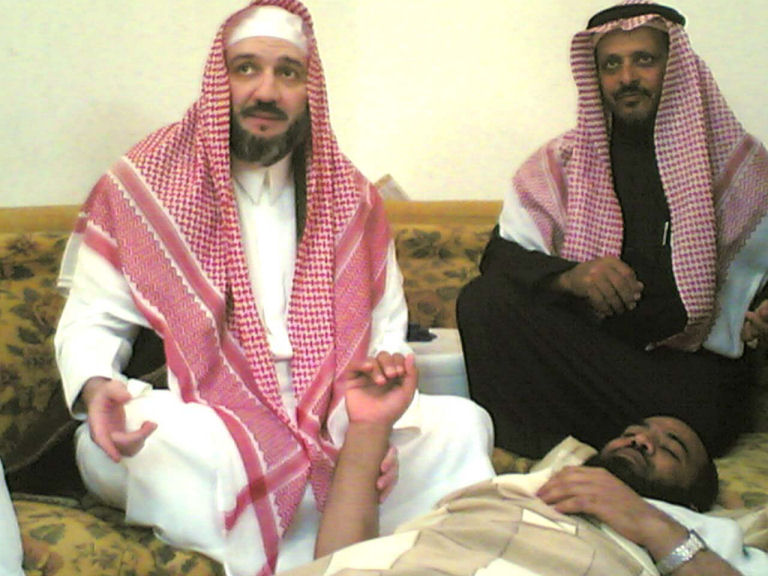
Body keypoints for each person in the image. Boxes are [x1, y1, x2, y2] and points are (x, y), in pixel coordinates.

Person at [53, 2, 495, 575]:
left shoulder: (351, 198)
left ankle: (339, 520)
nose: (266, 91)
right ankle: (336, 540)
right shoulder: (144, 185)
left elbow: (385, 333)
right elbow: (92, 317)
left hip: (330, 409)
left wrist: (371, 431)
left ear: (310, 90)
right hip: (205, 413)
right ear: (219, 79)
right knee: (169, 445)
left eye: (288, 72)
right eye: (246, 69)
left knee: (461, 427)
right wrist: (96, 387)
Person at [457, 0, 768, 460]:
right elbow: (500, 258)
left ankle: (593, 448)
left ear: (675, 67)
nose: (627, 77)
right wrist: (571, 277)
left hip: (688, 382)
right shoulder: (562, 164)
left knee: (703, 414)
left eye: (644, 59)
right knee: (483, 301)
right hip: (596, 358)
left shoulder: (738, 167)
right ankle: (561, 458)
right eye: (611, 65)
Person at [286, 415, 768, 576]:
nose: (642, 440)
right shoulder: (509, 488)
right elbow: (341, 562)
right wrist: (369, 426)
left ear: (694, 502)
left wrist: (650, 525)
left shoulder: (703, 536)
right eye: (632, 432)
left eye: (672, 449)